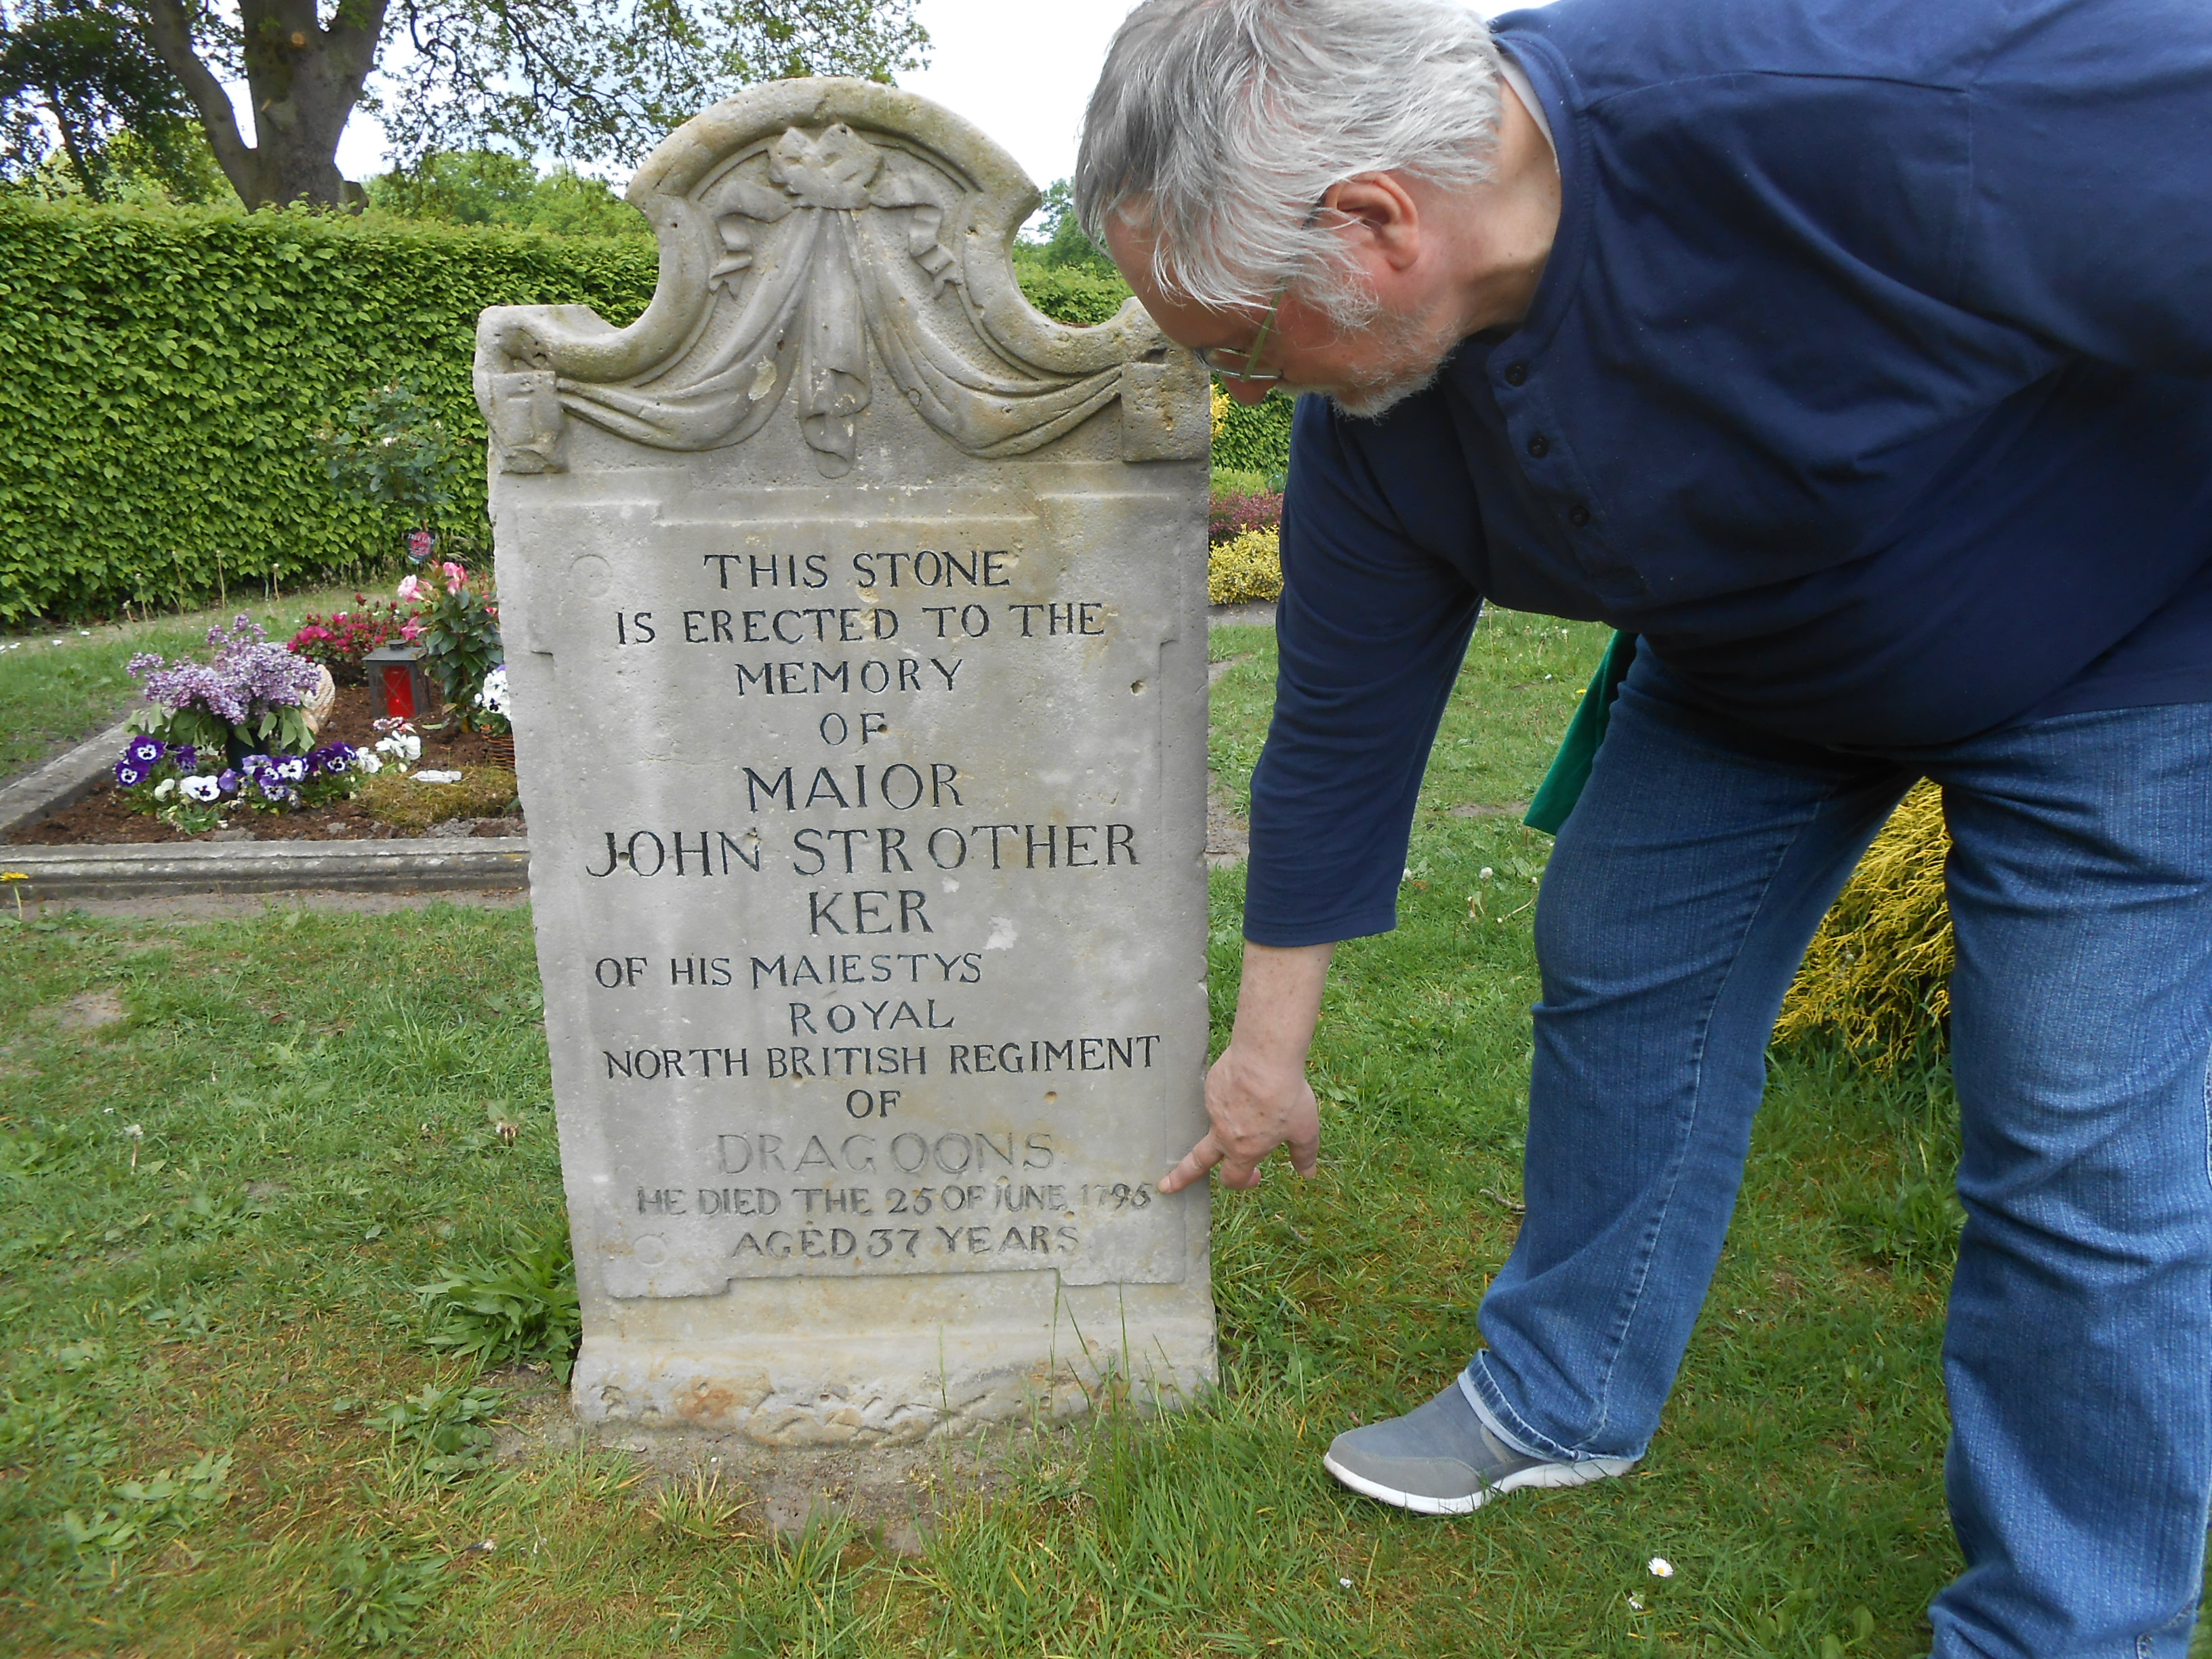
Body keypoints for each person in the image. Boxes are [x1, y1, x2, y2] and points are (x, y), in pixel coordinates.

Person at [1073, 0, 2212, 1652]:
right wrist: (1265, 1055)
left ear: (1378, 224)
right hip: (1758, 671)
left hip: (2116, 645)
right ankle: (1562, 1395)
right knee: (1618, 963)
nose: (1236, 388)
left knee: (2074, 1139)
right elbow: (1335, 739)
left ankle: (2070, 1619)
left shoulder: (1864, 94)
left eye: (1239, 343)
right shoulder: (1385, 436)